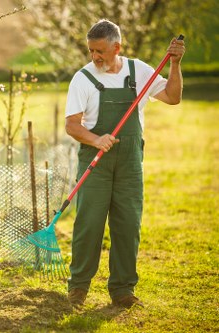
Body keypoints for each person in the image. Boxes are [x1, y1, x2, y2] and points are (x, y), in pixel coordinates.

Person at [64, 19, 185, 308]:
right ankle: (78, 288)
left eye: (101, 51)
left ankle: (122, 291)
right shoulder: (83, 78)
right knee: (89, 225)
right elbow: (71, 125)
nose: (95, 57)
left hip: (130, 162)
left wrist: (176, 64)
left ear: (117, 47)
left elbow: (172, 96)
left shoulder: (138, 71)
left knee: (127, 225)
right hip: (96, 161)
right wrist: (96, 140)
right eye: (91, 50)